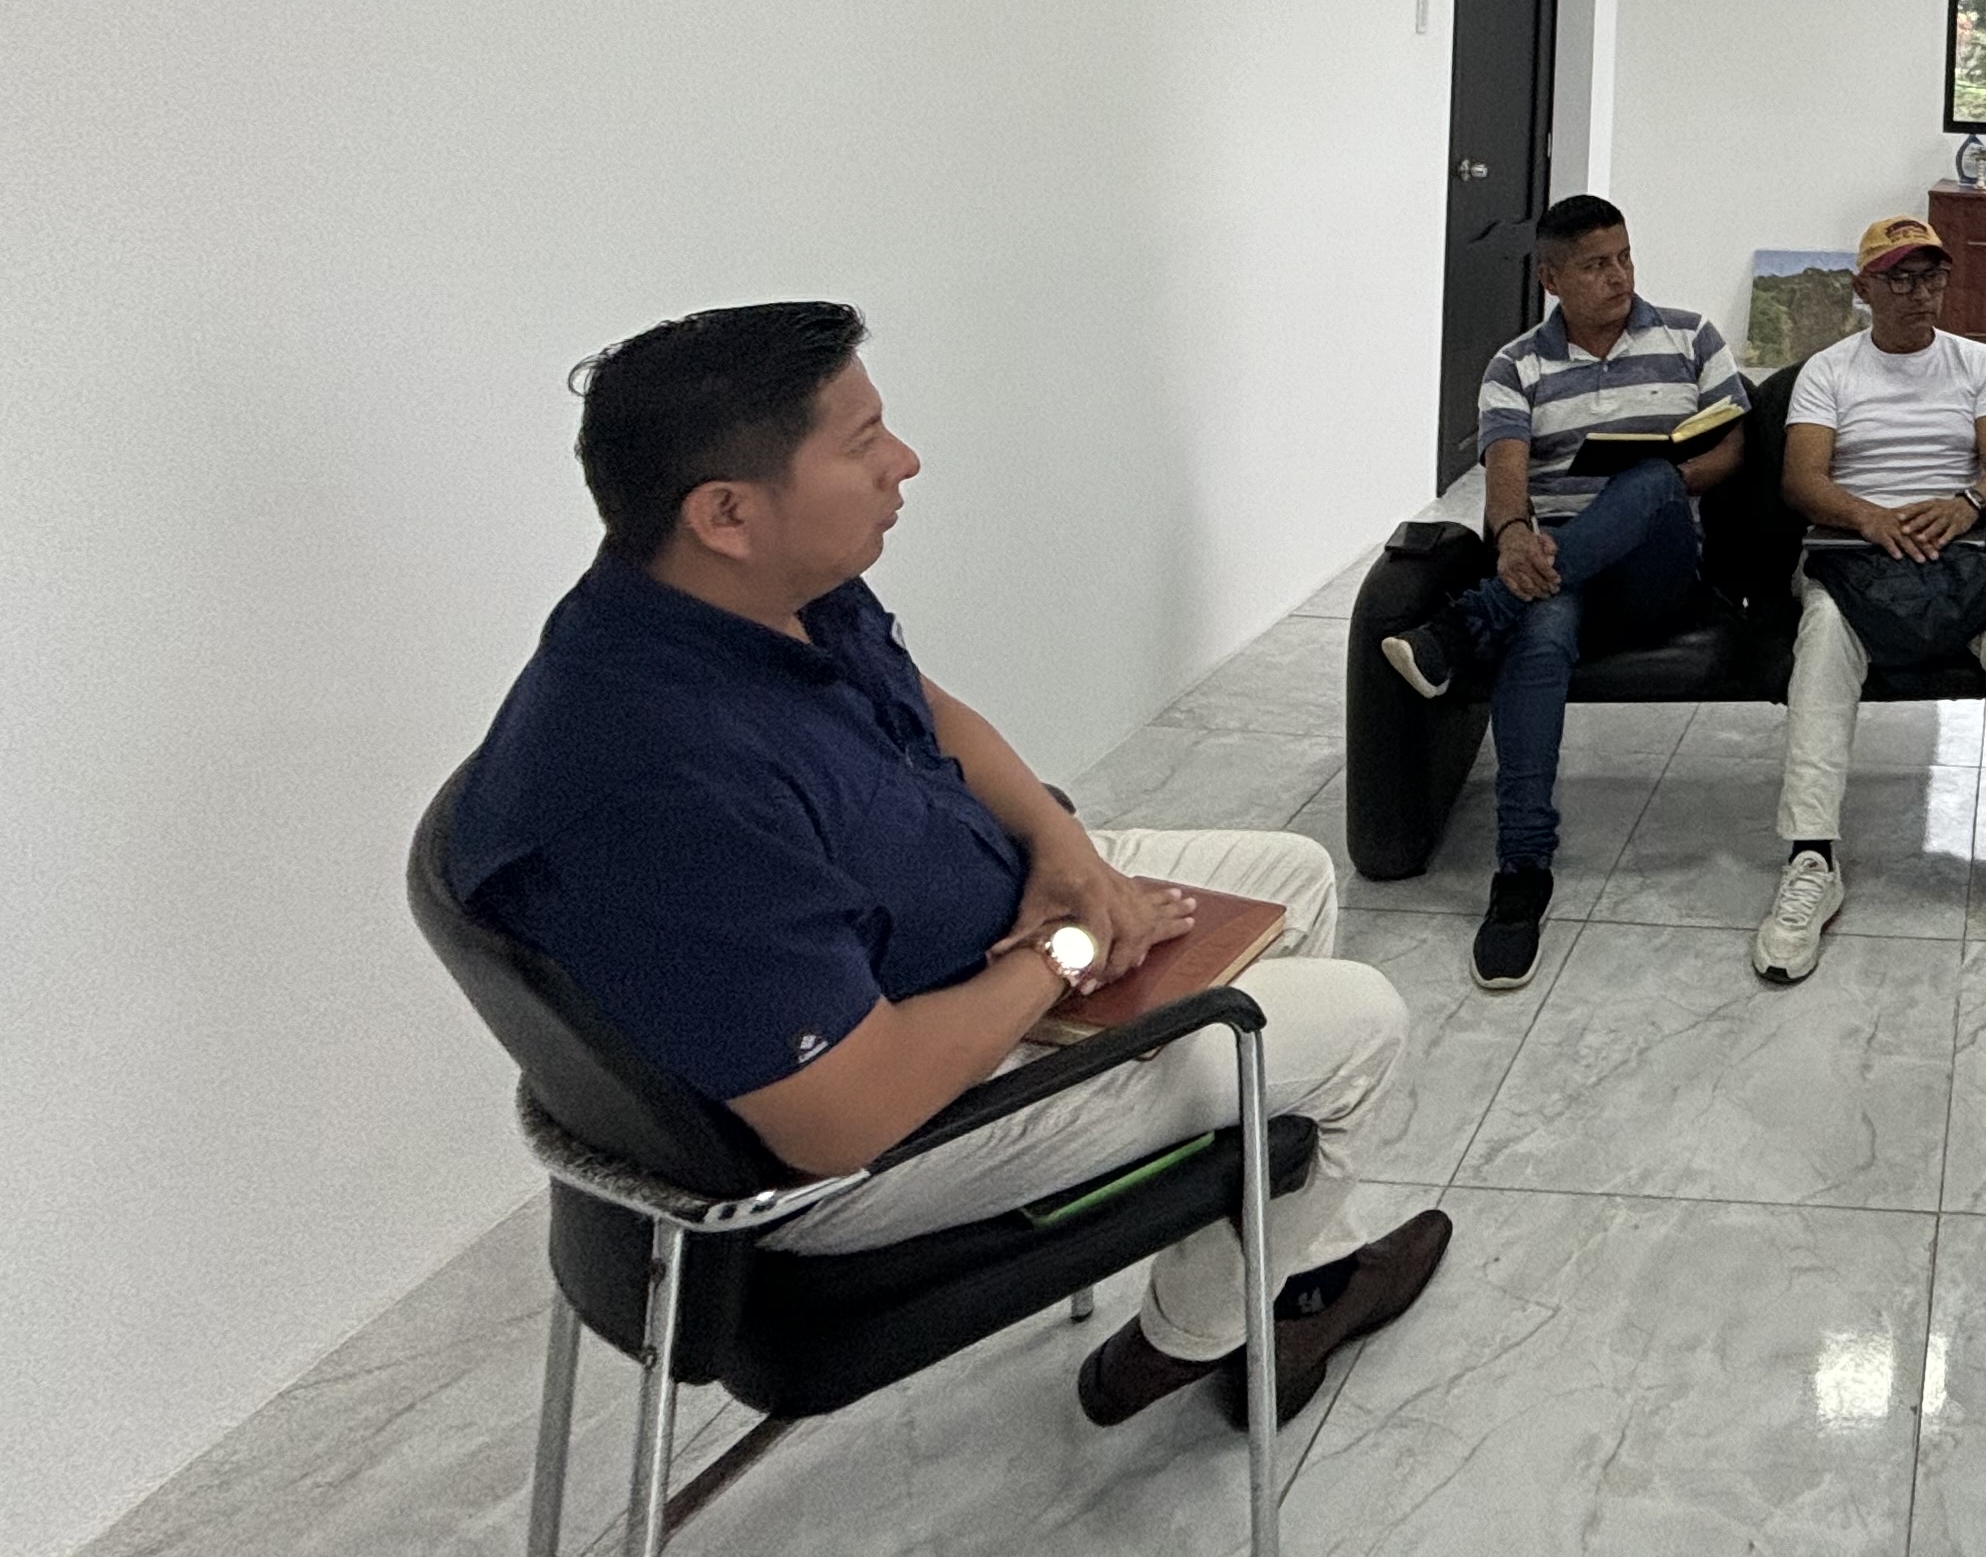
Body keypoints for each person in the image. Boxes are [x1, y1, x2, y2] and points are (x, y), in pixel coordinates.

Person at [450, 303, 1447, 1437]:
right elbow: (845, 1120)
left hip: (954, 936)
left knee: (1293, 879)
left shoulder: (757, 592)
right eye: (863, 440)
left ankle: (1263, 1264)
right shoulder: (659, 784)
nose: (905, 460)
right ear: (726, 512)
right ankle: (1189, 1338)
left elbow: (929, 714)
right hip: (884, 1126)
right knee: (1360, 1025)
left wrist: (1067, 858)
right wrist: (1063, 952)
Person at [1380, 193, 1749, 990]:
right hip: (1556, 570)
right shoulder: (1516, 365)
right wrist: (1514, 535)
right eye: (1595, 266)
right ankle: (1521, 872)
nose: (1619, 277)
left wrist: (1668, 476)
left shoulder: (1692, 336)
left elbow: (1730, 451)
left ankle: (1469, 623)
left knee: (1651, 478)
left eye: (1624, 257)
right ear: (1552, 279)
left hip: (1656, 572)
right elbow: (1505, 473)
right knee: (1540, 638)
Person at [1753, 216, 1986, 985]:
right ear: (1863, 288)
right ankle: (1811, 855)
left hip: (1961, 546)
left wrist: (1966, 505)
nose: (1920, 294)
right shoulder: (1828, 372)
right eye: (1901, 279)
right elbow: (1802, 479)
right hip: (1852, 552)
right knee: (1823, 632)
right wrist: (1869, 517)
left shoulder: (1977, 362)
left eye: (1932, 277)